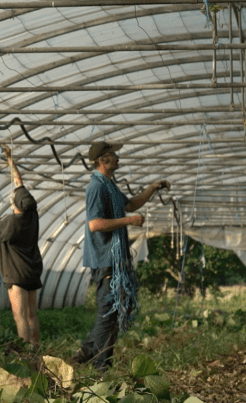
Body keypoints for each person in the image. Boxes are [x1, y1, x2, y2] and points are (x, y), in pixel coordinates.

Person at [72, 141, 169, 371]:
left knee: (116, 310)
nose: (117, 157)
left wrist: (152, 188)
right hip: (105, 260)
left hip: (116, 259)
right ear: (103, 160)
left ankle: (86, 352)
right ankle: (100, 368)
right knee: (108, 313)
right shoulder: (96, 187)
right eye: (113, 154)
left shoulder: (110, 185)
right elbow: (95, 224)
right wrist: (128, 221)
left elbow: (131, 205)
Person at [0, 145, 42, 346]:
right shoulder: (32, 214)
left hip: (16, 275)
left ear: (15, 204)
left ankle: (26, 353)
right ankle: (36, 347)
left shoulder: (11, 223)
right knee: (32, 315)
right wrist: (10, 160)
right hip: (32, 271)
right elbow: (19, 182)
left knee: (20, 317)